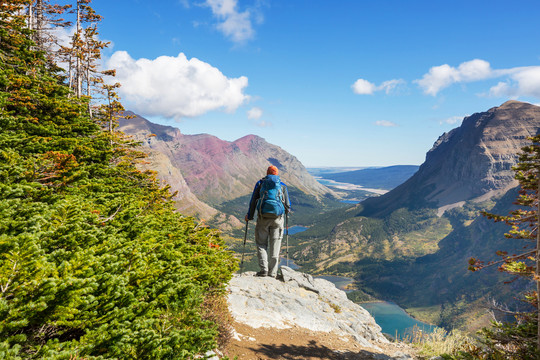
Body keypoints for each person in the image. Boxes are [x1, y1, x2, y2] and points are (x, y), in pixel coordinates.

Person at [245, 165, 291, 278]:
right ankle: (273, 273)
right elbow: (288, 206)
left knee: (261, 244)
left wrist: (249, 216)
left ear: (267, 173)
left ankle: (264, 270)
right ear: (277, 174)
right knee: (275, 245)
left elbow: (253, 202)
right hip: (277, 220)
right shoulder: (282, 185)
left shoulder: (260, 184)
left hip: (263, 219)